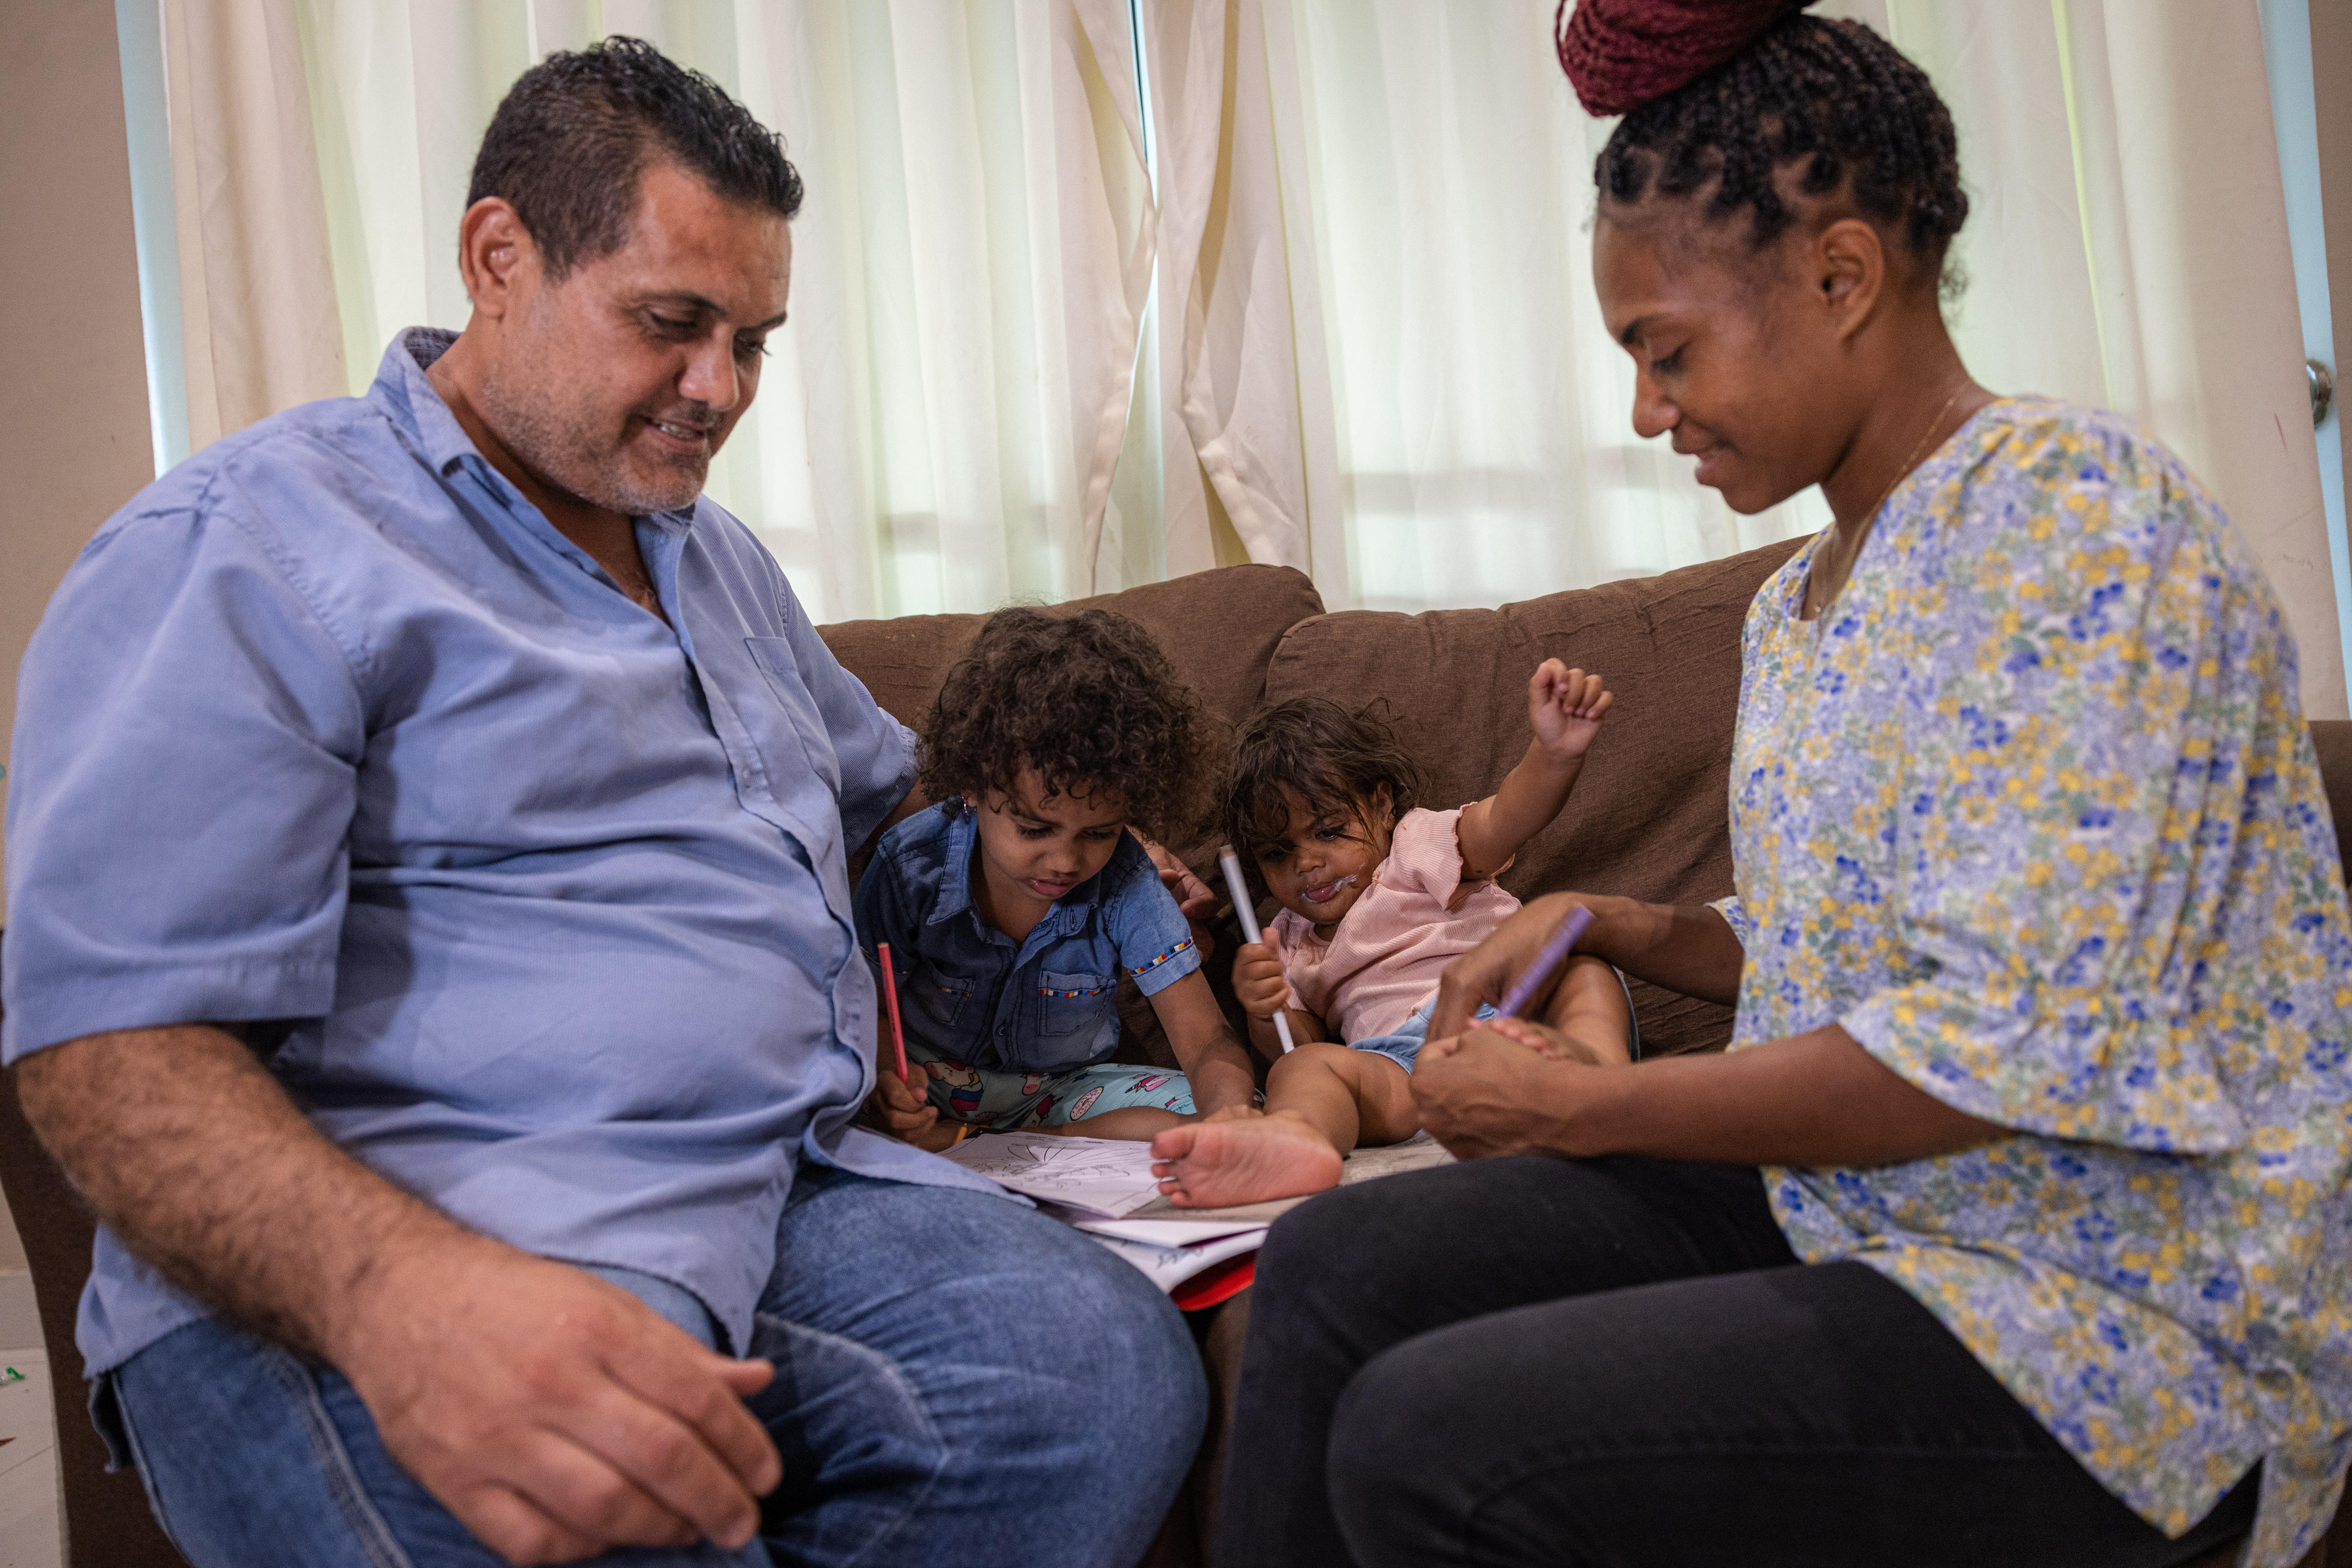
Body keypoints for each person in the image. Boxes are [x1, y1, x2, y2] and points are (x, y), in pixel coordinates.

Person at [1, 38, 1203, 1568]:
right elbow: (107, 1046)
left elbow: (912, 791)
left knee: (1096, 1375)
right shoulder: (246, 544)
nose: (722, 389)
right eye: (671, 324)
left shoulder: (720, 562)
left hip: (768, 1195)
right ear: (499, 256)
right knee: (587, 1508)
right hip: (384, 1248)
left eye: (753, 340)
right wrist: (402, 1298)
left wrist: (1131, 859)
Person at [1213, 3, 2352, 1566]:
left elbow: (1996, 1045)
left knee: (1435, 1438)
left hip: (2118, 1317)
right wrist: (1615, 918)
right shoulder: (1799, 602)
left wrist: (1599, 1105)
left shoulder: (2083, 530)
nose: (1644, 408)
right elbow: (1861, 940)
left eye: (1663, 348)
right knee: (1333, 1264)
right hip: (1865, 1212)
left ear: (1839, 274)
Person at [1148, 666, 1632, 1207]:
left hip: (1513, 998)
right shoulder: (1283, 940)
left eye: (1328, 831)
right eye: (1278, 854)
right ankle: (1294, 1139)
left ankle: (1606, 1088)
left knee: (1576, 960)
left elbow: (1504, 821)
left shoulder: (1415, 846)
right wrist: (1267, 1011)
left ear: (1381, 806)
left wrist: (1553, 755)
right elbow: (1301, 1045)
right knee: (1301, 1069)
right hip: (1408, 1068)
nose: (1307, 863)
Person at [855, 606, 1261, 1146]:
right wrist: (887, 1083)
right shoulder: (910, 864)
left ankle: (979, 1145)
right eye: (1033, 830)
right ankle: (961, 1138)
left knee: (1226, 1103)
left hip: (1064, 1096)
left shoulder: (1127, 883)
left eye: (1097, 833)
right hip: (929, 1087)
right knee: (836, 1097)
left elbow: (1208, 1040)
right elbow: (867, 1002)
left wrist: (1227, 1114)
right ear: (972, 788)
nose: (1065, 862)